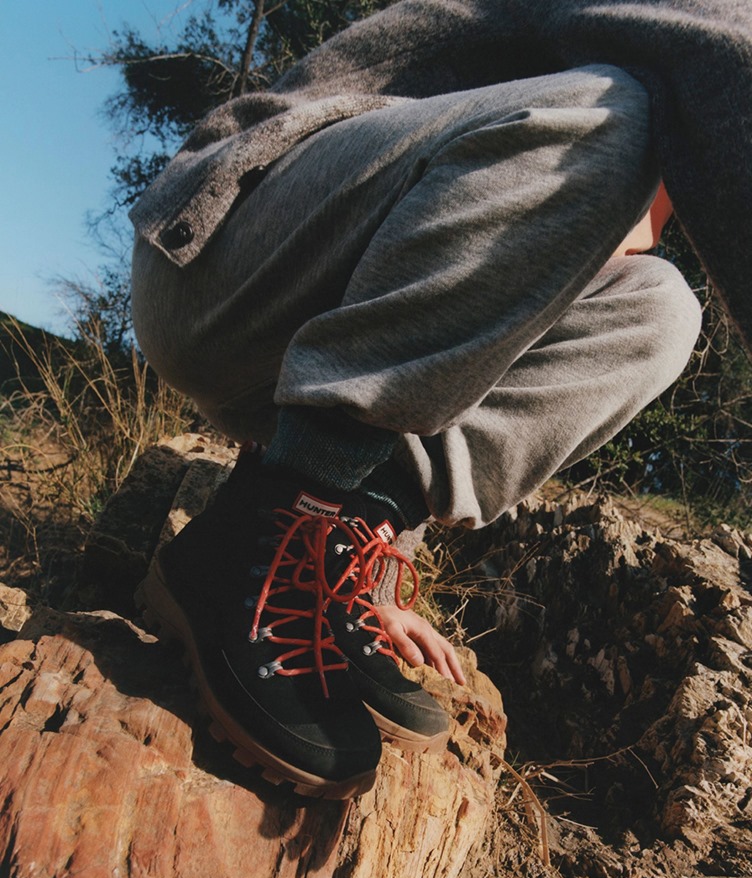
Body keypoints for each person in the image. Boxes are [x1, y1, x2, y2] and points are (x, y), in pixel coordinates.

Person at [130, 0, 751, 799]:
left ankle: (332, 538)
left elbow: (474, 304)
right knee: (610, 114)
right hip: (225, 260)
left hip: (312, 356)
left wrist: (373, 570)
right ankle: (276, 520)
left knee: (661, 307)